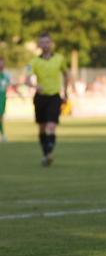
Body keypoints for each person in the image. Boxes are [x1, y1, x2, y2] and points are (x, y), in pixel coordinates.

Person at [25, 33, 69, 165]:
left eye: (47, 42)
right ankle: (46, 154)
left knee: (51, 125)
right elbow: (26, 80)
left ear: (51, 43)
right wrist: (34, 85)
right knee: (42, 128)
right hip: (40, 98)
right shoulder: (33, 62)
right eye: (42, 42)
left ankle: (49, 150)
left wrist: (66, 93)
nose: (45, 44)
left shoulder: (60, 59)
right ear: (39, 45)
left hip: (54, 96)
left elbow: (66, 75)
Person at [0, 56, 25, 142]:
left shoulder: (6, 74)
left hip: (2, 98)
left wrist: (20, 94)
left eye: (2, 62)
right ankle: (2, 135)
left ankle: (2, 135)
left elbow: (12, 85)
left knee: (1, 117)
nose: (1, 64)